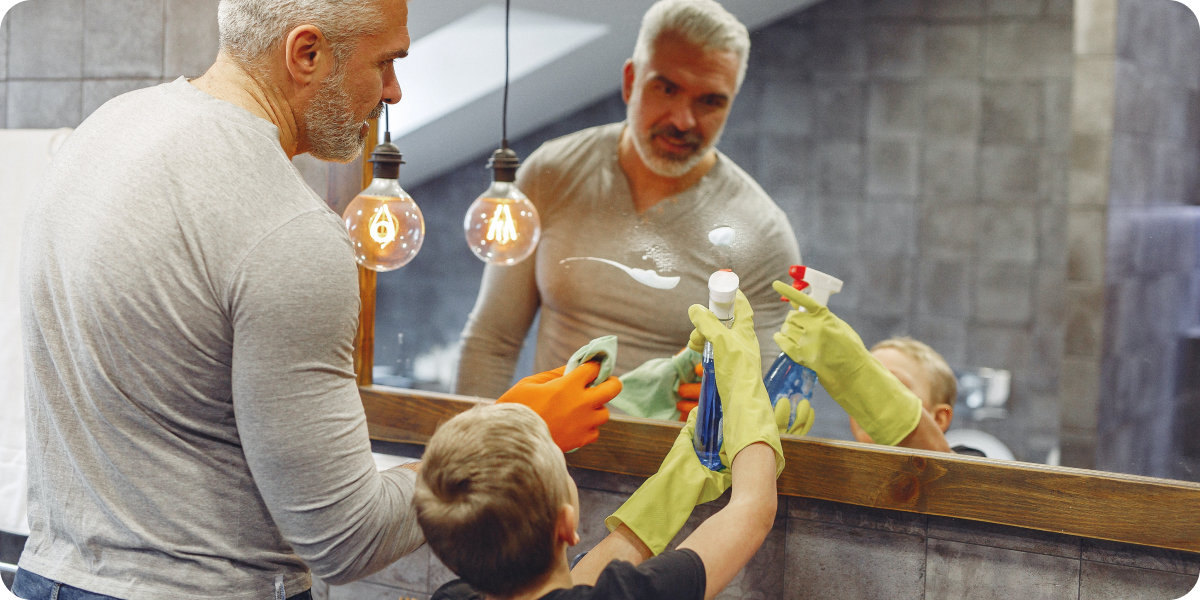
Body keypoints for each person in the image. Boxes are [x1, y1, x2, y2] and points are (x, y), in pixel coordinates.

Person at [14, 1, 616, 599]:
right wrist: (518, 430)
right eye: (385, 63)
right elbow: (345, 536)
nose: (395, 91)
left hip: (48, 576)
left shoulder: (102, 133)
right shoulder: (287, 229)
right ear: (307, 53)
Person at [455, 0, 802, 403]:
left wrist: (727, 404)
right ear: (630, 81)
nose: (683, 120)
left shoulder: (761, 232)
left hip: (680, 464)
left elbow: (765, 400)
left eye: (710, 100)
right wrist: (468, 459)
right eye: (667, 88)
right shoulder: (552, 172)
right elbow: (492, 340)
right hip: (549, 457)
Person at [417, 290, 782, 600]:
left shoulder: (452, 595)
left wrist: (676, 483)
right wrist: (744, 377)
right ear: (568, 522)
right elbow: (753, 511)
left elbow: (582, 587)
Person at [773, 282, 952, 452]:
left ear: (939, 418)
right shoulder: (835, 473)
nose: (866, 399)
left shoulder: (974, 462)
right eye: (858, 396)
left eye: (895, 386)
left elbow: (947, 468)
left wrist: (854, 372)